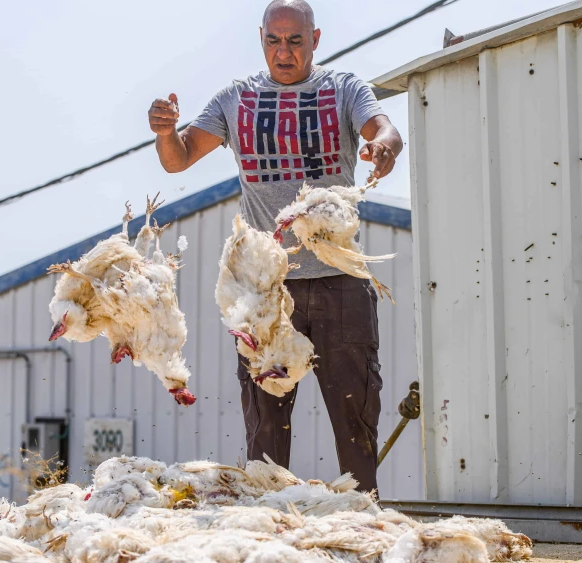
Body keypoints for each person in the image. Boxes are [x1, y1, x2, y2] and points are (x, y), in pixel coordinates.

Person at [147, 0, 403, 494]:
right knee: (265, 427)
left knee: (355, 417)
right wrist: (164, 134)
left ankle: (365, 521)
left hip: (339, 283)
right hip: (265, 291)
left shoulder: (343, 89)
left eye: (295, 41)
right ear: (261, 38)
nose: (284, 52)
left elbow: (384, 129)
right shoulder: (235, 99)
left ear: (316, 39)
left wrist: (383, 148)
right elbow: (177, 160)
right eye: (274, 40)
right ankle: (265, 527)